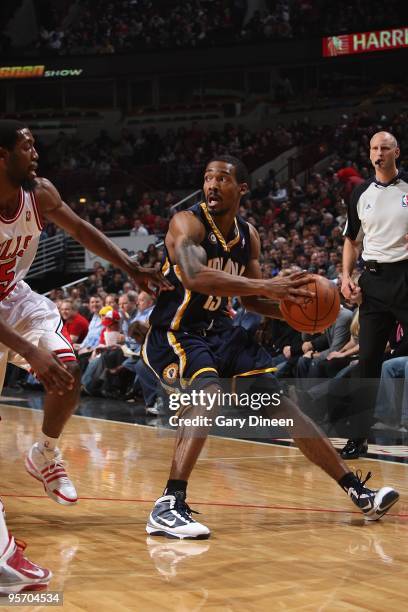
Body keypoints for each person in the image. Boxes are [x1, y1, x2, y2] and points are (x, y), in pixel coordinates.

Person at [143, 155, 399, 539]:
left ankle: (358, 491)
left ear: (241, 188)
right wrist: (267, 287)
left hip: (221, 331)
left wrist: (296, 306)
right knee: (208, 393)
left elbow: (252, 303)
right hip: (178, 330)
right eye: (208, 177)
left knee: (284, 408)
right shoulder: (188, 222)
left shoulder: (249, 235)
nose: (212, 184)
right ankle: (169, 504)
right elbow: (195, 277)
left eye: (222, 178)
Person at [0, 120, 170, 520]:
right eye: (27, 147)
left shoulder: (40, 195)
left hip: (14, 298)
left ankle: (44, 452)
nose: (36, 154)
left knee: (68, 370)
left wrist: (130, 266)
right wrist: (29, 354)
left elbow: (80, 228)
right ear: (2, 156)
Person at [341, 131, 408, 458]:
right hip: (374, 281)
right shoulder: (360, 193)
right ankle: (359, 436)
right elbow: (352, 240)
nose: (378, 153)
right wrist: (345, 276)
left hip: (406, 275)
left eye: (384, 147)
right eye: (373, 148)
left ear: (396, 151)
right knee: (367, 360)